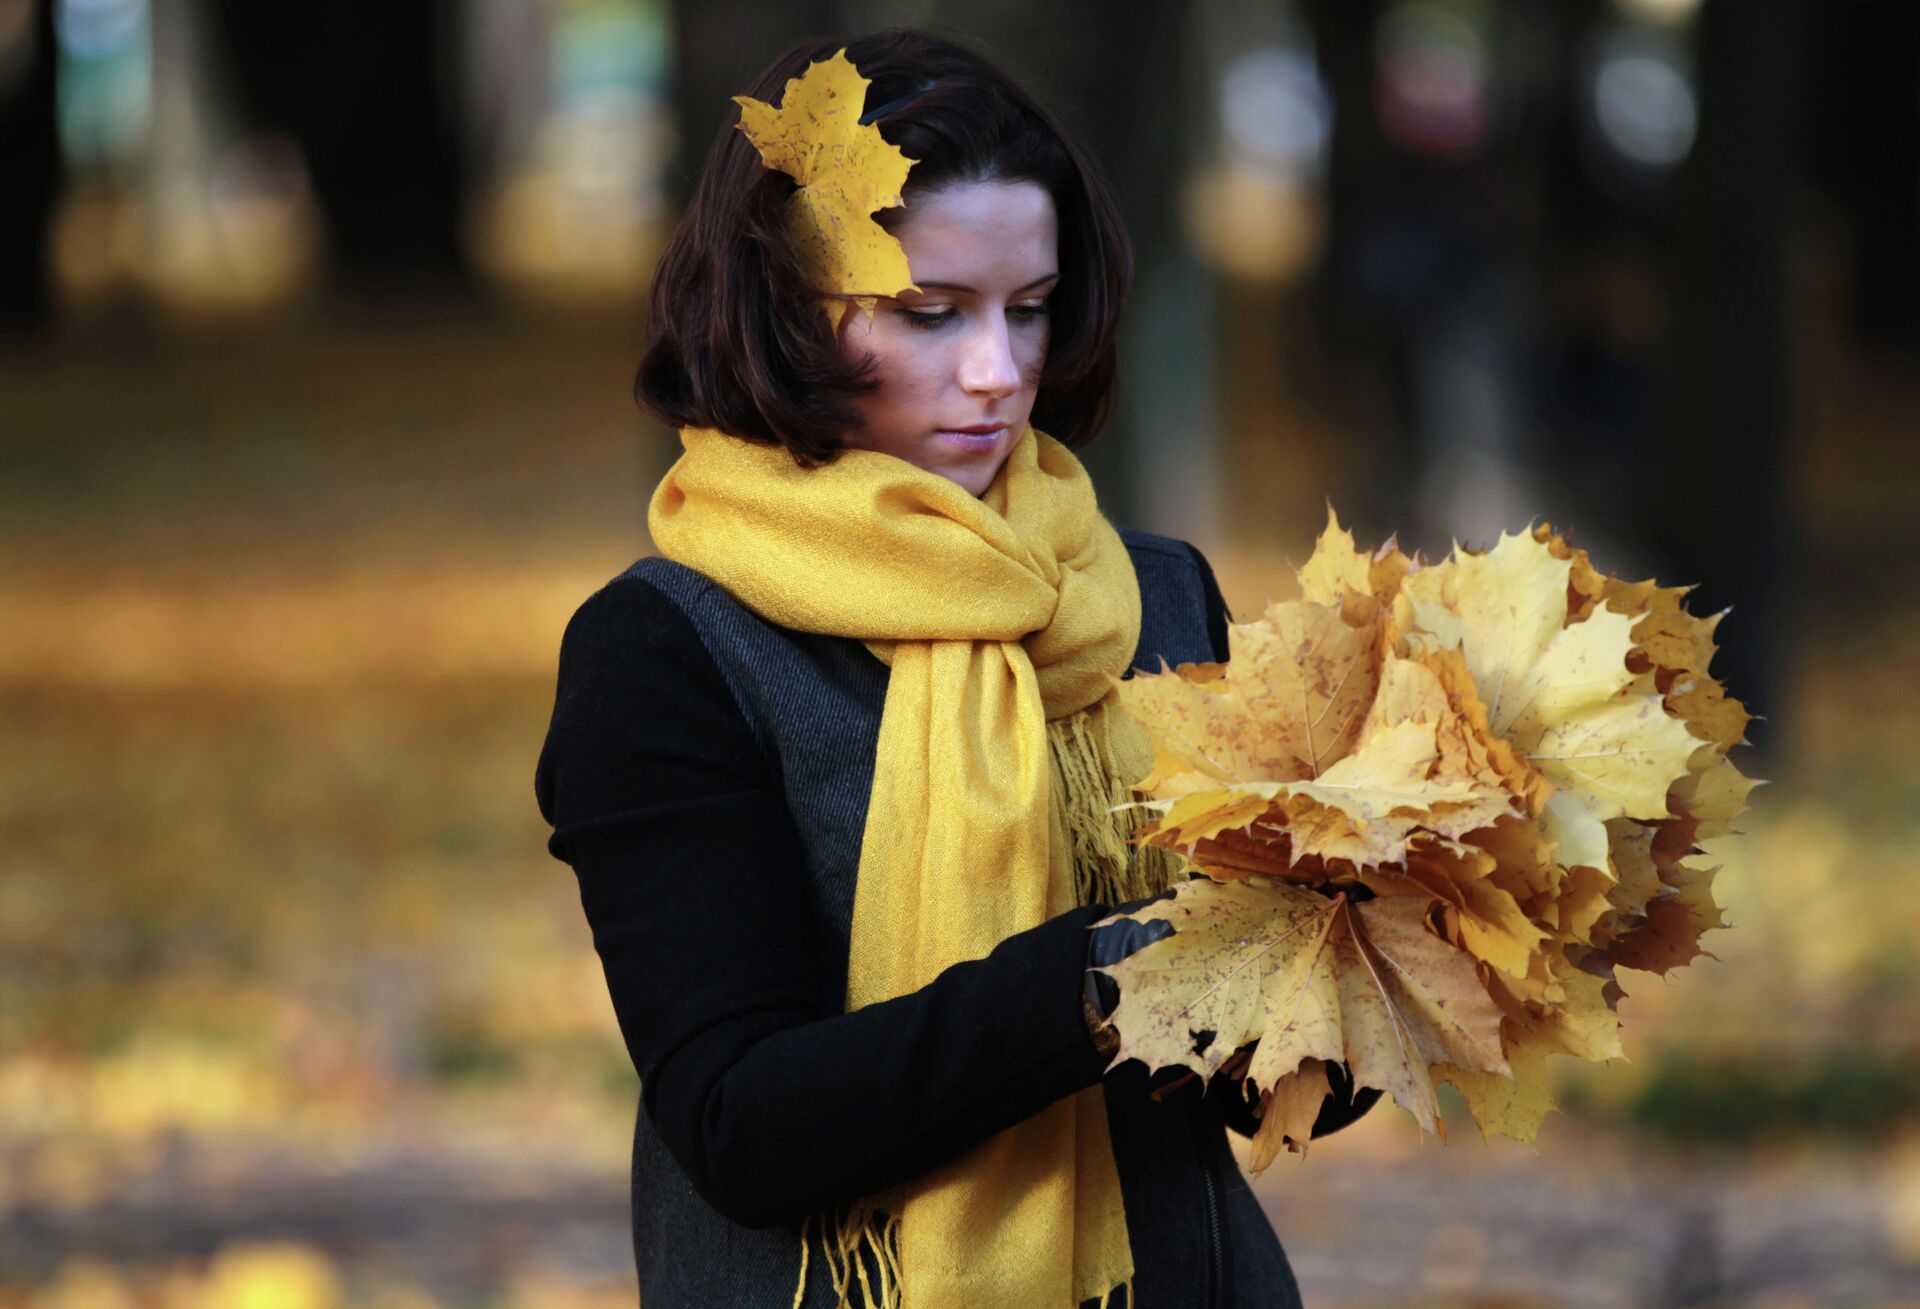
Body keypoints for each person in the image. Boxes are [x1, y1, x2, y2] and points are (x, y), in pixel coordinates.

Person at [534, 29, 1376, 1309]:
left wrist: (1394, 936)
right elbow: (740, 1128)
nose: (997, 372)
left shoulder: (1150, 594)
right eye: (930, 314)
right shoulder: (665, 649)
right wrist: (1103, 980)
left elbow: (1256, 1091)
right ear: (784, 306)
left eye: (1028, 308)